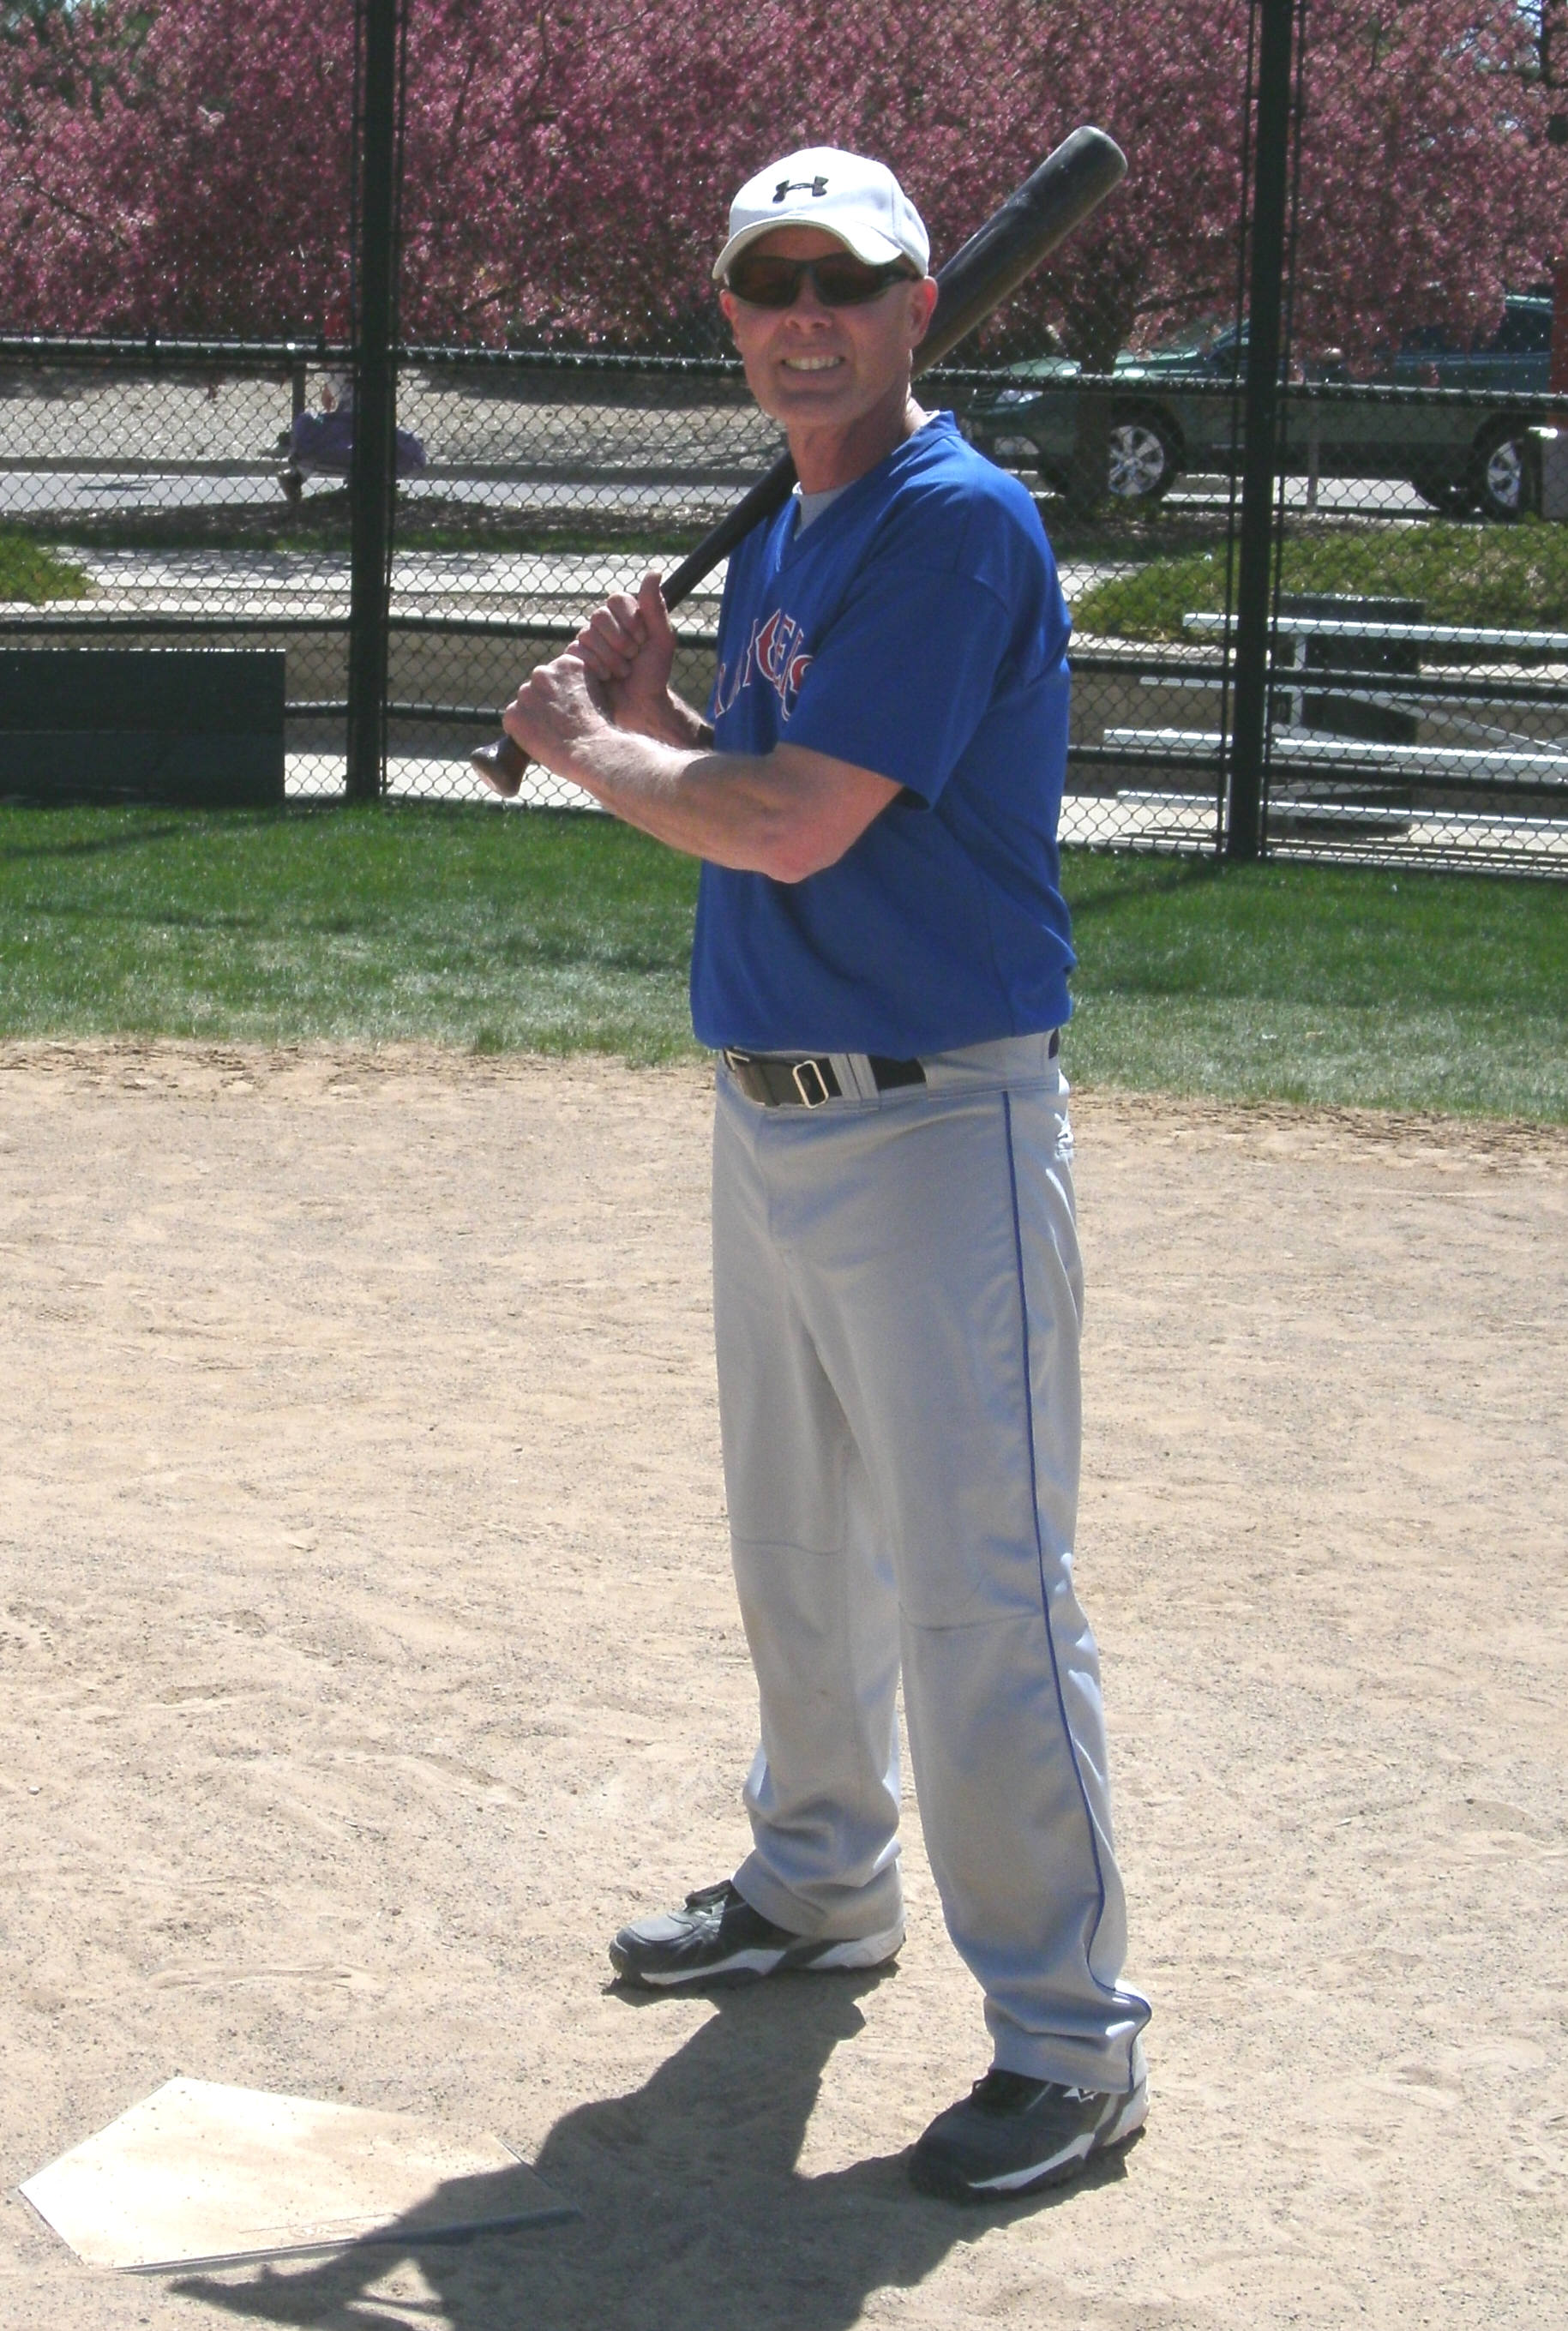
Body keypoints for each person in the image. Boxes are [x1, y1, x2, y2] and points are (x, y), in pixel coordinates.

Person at [500, 146, 1150, 2203]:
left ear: (913, 310)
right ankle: (818, 1886)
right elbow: (770, 780)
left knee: (978, 1594)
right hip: (773, 1111)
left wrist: (587, 744)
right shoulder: (802, 520)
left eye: (846, 284)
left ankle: (1068, 2042)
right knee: (795, 1551)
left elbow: (786, 824)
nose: (806, 315)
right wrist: (653, 710)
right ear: (731, 315)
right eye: (770, 283)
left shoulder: (951, 523)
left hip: (936, 1115)